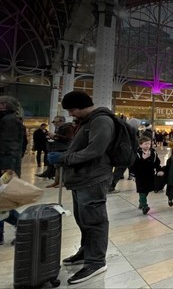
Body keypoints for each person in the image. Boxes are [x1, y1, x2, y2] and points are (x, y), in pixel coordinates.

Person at [57, 91, 113, 284]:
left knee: (95, 220)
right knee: (83, 218)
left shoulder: (101, 121)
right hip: (82, 178)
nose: (71, 113)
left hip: (94, 178)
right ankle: (86, 251)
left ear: (82, 105)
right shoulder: (88, 121)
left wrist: (66, 158)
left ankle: (96, 261)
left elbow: (96, 150)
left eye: (72, 109)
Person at [0, 95, 26, 246]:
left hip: (5, 167)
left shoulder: (9, 120)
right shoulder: (8, 119)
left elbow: (10, 145)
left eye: (3, 103)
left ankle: (24, 226)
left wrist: (8, 167)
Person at [37, 115, 76, 188]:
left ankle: (63, 181)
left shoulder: (68, 127)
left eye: (56, 122)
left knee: (63, 166)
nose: (55, 123)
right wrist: (54, 136)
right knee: (57, 166)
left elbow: (68, 138)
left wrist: (56, 135)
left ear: (61, 121)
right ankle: (57, 181)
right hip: (58, 148)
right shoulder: (59, 128)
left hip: (64, 148)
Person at [131, 136, 161, 214]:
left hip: (150, 174)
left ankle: (141, 202)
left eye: (149, 144)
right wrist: (143, 159)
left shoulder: (153, 152)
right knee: (142, 190)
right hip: (140, 175)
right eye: (145, 144)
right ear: (140, 145)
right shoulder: (136, 153)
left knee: (147, 190)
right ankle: (144, 206)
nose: (147, 145)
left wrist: (159, 170)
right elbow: (134, 165)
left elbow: (157, 162)